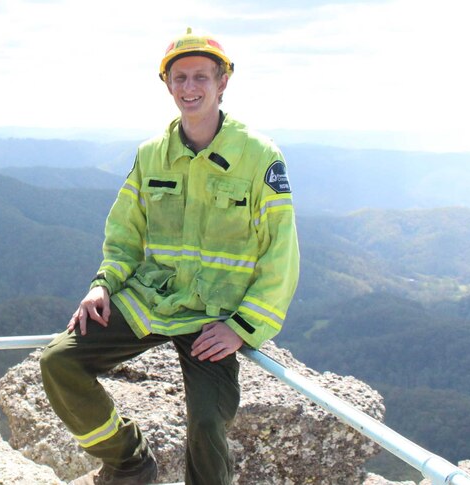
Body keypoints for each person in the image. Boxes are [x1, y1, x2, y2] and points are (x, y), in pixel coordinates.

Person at [40, 27, 300, 485]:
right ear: (167, 85)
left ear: (223, 83)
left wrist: (242, 327)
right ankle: (128, 461)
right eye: (179, 78)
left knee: (206, 422)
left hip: (213, 316)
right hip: (152, 300)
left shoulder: (259, 156)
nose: (190, 88)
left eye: (201, 76)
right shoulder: (151, 156)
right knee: (59, 361)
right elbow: (124, 235)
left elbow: (281, 254)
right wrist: (102, 285)